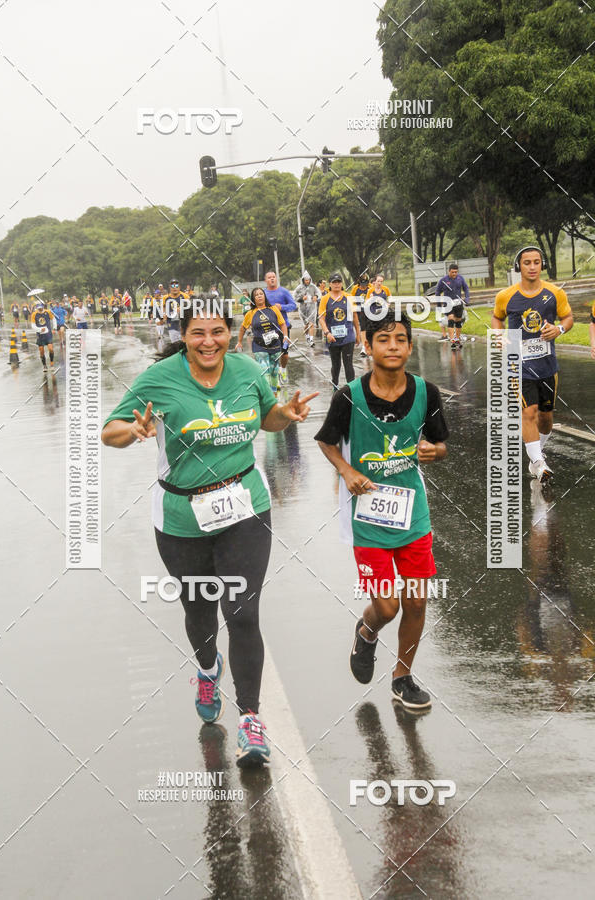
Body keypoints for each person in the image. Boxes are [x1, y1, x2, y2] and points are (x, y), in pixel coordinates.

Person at [102, 304, 317, 766]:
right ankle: (206, 668)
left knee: (242, 612)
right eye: (198, 333)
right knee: (199, 610)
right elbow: (109, 431)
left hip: (245, 505)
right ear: (183, 336)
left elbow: (267, 417)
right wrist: (134, 430)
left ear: (230, 334)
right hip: (182, 517)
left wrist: (286, 413)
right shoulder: (159, 379)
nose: (208, 341)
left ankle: (251, 720)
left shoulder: (247, 370)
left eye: (217, 331)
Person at [315, 310, 448, 710]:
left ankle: (402, 677)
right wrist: (346, 470)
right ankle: (367, 632)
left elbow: (441, 443)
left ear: (410, 346)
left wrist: (434, 451)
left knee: (417, 601)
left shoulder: (427, 393)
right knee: (387, 606)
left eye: (400, 339)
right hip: (368, 519)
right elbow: (326, 441)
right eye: (383, 339)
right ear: (368, 346)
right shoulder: (348, 397)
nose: (393, 347)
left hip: (413, 514)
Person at [492, 246, 573, 483]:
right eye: (527, 262)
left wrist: (558, 329)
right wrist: (499, 336)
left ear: (542, 265)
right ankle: (538, 463)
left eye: (536, 262)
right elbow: (496, 318)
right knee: (529, 412)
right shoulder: (506, 296)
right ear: (518, 266)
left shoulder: (555, 293)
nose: (532, 267)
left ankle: (536, 454)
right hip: (518, 366)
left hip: (547, 365)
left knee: (546, 419)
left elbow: (568, 318)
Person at [235, 287, 288, 395]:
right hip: (259, 346)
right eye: (256, 295)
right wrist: (239, 342)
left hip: (275, 345)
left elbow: (282, 324)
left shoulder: (274, 309)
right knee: (265, 371)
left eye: (261, 294)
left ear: (264, 296)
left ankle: (274, 395)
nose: (259, 296)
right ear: (253, 299)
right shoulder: (250, 313)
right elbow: (242, 329)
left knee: (274, 372)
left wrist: (285, 336)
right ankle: (268, 395)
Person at [318, 273, 360, 389]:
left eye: (339, 282)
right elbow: (321, 318)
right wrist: (327, 333)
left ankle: (351, 389)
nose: (336, 284)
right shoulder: (325, 299)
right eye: (334, 282)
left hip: (348, 337)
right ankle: (335, 387)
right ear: (330, 284)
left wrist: (358, 334)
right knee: (336, 365)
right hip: (333, 337)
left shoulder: (348, 297)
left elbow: (355, 316)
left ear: (342, 284)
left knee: (348, 364)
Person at [263, 271, 297, 385]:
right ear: (265, 280)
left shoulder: (284, 291)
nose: (272, 279)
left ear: (276, 279)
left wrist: (281, 307)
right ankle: (274, 376)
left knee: (284, 352)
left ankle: (283, 370)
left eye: (273, 277)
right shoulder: (263, 294)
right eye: (269, 277)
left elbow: (293, 305)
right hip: (268, 328)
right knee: (272, 353)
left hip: (284, 327)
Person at [435, 263, 469, 350]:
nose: (454, 274)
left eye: (456, 272)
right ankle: (452, 340)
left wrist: (467, 298)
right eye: (452, 272)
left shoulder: (460, 278)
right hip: (448, 303)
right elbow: (437, 292)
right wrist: (439, 305)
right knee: (451, 319)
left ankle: (457, 339)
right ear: (449, 271)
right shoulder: (443, 280)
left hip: (458, 303)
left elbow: (466, 288)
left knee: (458, 321)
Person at [293, 270, 321, 347]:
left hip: (312, 307)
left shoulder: (313, 287)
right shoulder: (299, 288)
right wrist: (301, 298)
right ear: (303, 280)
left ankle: (311, 340)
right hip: (303, 308)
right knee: (306, 325)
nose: (307, 281)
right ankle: (307, 336)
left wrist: (316, 296)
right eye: (306, 280)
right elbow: (294, 296)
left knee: (311, 324)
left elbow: (318, 293)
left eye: (308, 280)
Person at [31, 301, 57, 369]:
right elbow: (33, 325)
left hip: (48, 333)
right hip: (40, 335)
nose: (40, 309)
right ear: (37, 307)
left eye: (41, 308)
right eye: (39, 308)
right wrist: (39, 329)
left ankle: (51, 364)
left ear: (43, 307)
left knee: (51, 349)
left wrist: (54, 328)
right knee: (41, 351)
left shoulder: (48, 312)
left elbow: (54, 319)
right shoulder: (34, 314)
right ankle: (44, 366)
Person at [351, 274, 370, 355]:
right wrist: (354, 308)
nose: (364, 286)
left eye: (365, 284)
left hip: (369, 311)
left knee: (369, 328)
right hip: (359, 311)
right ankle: (364, 347)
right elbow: (351, 299)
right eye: (362, 284)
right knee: (363, 328)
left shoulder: (370, 287)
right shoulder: (355, 288)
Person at [164, 278, 187, 343]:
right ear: (169, 287)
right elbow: (163, 310)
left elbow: (191, 308)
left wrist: (182, 309)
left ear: (179, 287)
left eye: (176, 285)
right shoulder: (165, 298)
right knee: (175, 344)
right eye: (172, 286)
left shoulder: (185, 296)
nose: (174, 288)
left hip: (183, 325)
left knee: (184, 344)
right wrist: (164, 315)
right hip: (171, 325)